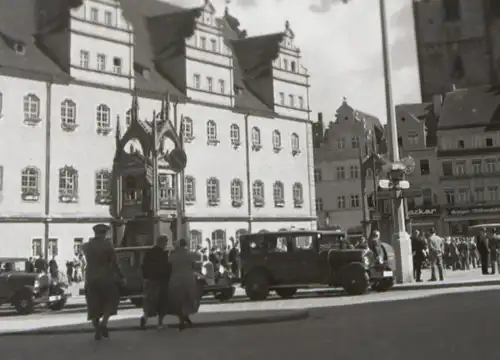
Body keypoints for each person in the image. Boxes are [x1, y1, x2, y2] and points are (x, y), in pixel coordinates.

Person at [82, 224, 124, 340]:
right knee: (110, 300)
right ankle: (104, 323)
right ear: (104, 233)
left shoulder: (87, 246)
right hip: (106, 277)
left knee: (93, 305)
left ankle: (97, 330)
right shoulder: (108, 246)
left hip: (91, 278)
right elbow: (114, 264)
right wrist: (121, 276)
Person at [166, 238, 201, 331]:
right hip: (188, 278)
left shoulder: (172, 256)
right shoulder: (190, 255)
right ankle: (185, 316)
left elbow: (168, 267)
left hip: (176, 278)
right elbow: (194, 265)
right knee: (188, 298)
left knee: (177, 299)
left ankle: (182, 318)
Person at [140, 235, 172, 330]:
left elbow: (143, 266)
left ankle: (145, 318)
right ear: (162, 243)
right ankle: (160, 324)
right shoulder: (163, 254)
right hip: (161, 281)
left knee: (150, 301)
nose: (166, 245)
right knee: (162, 302)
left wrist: (145, 278)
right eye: (165, 243)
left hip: (150, 280)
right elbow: (166, 267)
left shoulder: (149, 252)